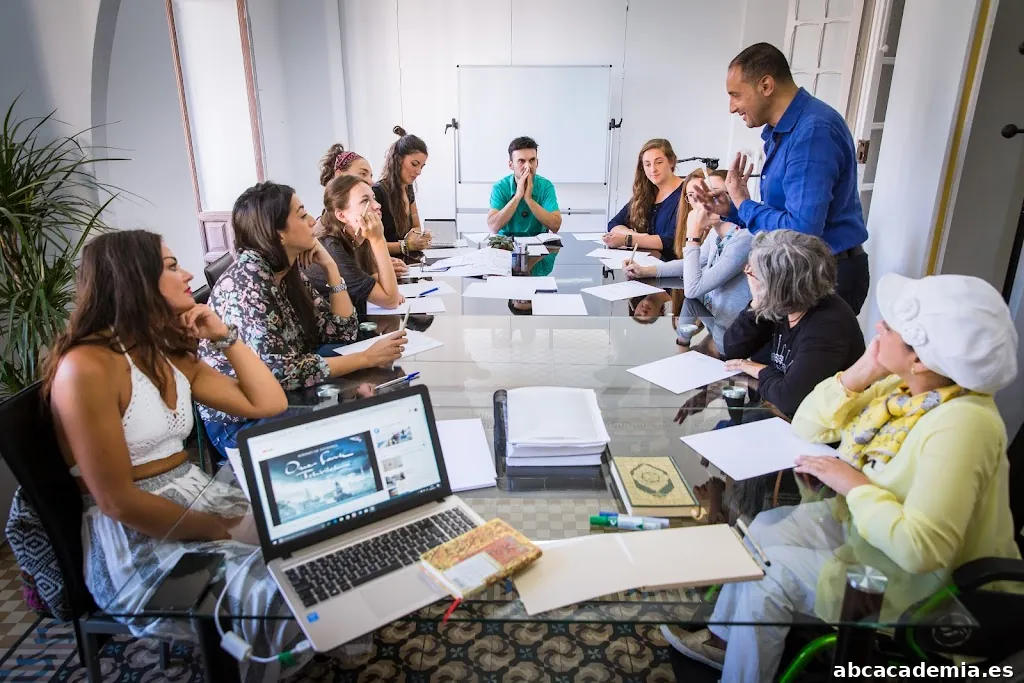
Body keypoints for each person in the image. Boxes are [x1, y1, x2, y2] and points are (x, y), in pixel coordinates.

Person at [665, 273, 1021, 682]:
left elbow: (923, 550)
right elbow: (808, 425)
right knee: (764, 526)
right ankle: (723, 644)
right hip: (869, 534)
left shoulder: (964, 425)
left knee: (772, 572)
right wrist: (863, 370)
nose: (878, 327)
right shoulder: (900, 387)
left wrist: (852, 482)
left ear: (920, 359)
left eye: (890, 327)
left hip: (927, 590)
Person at [29, 230, 309, 682]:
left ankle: (283, 661)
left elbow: (267, 403)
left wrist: (224, 335)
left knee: (313, 531)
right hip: (139, 545)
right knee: (280, 586)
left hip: (197, 498)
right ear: (134, 278)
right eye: (173, 265)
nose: (189, 274)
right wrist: (222, 530)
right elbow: (118, 502)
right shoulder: (87, 366)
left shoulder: (161, 350)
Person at [198, 182, 407, 454]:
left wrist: (331, 269)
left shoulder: (283, 271)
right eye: (301, 214)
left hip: (281, 395)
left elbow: (341, 332)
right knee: (359, 427)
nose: (312, 221)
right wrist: (365, 358)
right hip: (240, 420)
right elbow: (281, 373)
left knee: (367, 378)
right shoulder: (248, 282)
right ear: (277, 232)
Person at [695, 42, 870, 314]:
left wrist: (744, 204)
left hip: (825, 278)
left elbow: (802, 229)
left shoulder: (813, 132)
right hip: (800, 271)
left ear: (766, 86)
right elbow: (783, 216)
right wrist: (734, 209)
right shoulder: (786, 131)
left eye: (736, 95)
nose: (731, 107)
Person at [722, 230, 864, 418]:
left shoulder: (828, 325)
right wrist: (756, 302)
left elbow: (790, 399)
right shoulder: (783, 302)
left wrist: (760, 370)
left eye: (753, 273)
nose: (749, 276)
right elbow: (734, 348)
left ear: (780, 285)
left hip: (819, 428)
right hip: (778, 414)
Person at [625, 169, 752, 353]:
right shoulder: (718, 231)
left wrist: (692, 235)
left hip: (732, 335)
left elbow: (692, 290)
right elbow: (694, 264)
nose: (705, 201)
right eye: (703, 194)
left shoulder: (743, 239)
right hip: (714, 318)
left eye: (716, 194)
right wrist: (647, 271)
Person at [304, 175, 405, 318]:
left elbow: (373, 277)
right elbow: (391, 301)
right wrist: (378, 239)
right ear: (342, 215)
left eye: (373, 197)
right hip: (328, 331)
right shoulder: (331, 248)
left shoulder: (358, 235)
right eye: (365, 201)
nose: (377, 205)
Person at [604, 139, 684, 260]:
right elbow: (614, 224)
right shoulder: (646, 192)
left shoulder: (686, 193)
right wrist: (638, 236)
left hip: (672, 269)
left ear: (671, 162)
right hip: (646, 265)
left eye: (659, 162)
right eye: (647, 164)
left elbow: (670, 241)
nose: (653, 169)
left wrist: (628, 240)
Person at [373, 126, 432, 259]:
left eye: (422, 166)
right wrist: (406, 245)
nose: (419, 171)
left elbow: (416, 226)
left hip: (406, 262)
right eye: (414, 164)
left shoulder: (408, 188)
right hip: (388, 264)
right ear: (399, 160)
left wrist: (420, 238)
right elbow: (371, 244)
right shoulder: (377, 193)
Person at [487, 136, 562, 237]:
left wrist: (529, 199)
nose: (528, 166)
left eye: (532, 160)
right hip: (506, 245)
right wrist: (518, 196)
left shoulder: (545, 186)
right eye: (521, 161)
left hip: (539, 245)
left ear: (537, 163)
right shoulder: (500, 187)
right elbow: (493, 227)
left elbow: (555, 226)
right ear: (511, 165)